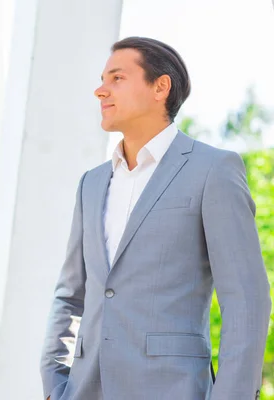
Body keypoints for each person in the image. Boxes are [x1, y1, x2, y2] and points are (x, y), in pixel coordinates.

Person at [40, 37, 271, 400]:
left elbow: (245, 298)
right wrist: (55, 383)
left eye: (117, 78)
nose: (101, 91)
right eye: (103, 79)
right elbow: (71, 295)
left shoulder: (214, 170)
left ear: (160, 87)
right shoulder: (91, 183)